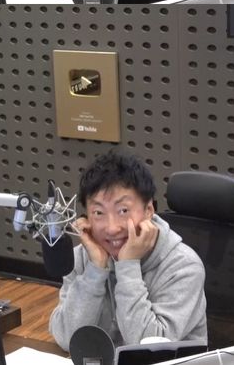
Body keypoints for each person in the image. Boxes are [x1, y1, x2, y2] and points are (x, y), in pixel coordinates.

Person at [49, 150, 207, 351]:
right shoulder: (83, 256)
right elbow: (67, 339)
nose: (112, 228)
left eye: (123, 210)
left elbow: (150, 351)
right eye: (98, 212)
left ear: (149, 210)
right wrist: (95, 271)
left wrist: (128, 266)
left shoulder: (183, 266)